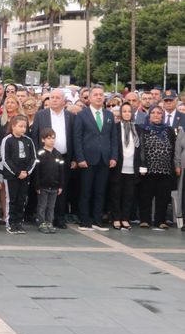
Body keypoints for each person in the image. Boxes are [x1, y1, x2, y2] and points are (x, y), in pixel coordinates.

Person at [73, 85, 118, 231]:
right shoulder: (82, 115)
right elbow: (77, 138)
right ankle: (84, 221)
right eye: (96, 94)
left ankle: (97, 221)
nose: (99, 97)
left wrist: (114, 156)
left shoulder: (109, 115)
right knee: (86, 191)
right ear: (90, 98)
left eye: (101, 94)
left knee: (100, 191)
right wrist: (80, 158)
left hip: (104, 159)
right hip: (87, 159)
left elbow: (113, 138)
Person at [32, 89, 76, 230]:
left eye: (58, 97)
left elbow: (74, 138)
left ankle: (59, 218)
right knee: (44, 190)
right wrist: (36, 155)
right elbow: (35, 136)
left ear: (64, 101)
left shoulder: (70, 116)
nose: (54, 100)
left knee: (61, 188)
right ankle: (42, 219)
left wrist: (74, 158)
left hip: (63, 157)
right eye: (52, 97)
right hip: (45, 158)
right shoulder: (41, 115)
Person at [138, 105, 176, 230]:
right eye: (153, 112)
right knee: (146, 196)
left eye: (159, 113)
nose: (156, 115)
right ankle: (145, 219)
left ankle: (160, 220)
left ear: (162, 115)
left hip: (165, 169)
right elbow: (141, 148)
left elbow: (173, 148)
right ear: (149, 115)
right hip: (148, 169)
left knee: (163, 197)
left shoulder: (169, 130)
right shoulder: (143, 129)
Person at [1, 115, 37, 234]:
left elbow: (33, 158)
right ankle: (10, 223)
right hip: (12, 176)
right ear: (13, 126)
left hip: (25, 175)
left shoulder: (28, 140)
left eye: (24, 126)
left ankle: (19, 222)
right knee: (12, 199)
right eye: (20, 126)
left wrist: (26, 171)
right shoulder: (7, 140)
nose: (23, 129)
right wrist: (17, 172)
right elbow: (5, 159)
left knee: (22, 199)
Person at [110, 102, 141, 230]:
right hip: (118, 165)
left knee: (129, 195)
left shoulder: (137, 128)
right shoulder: (116, 127)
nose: (127, 113)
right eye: (124, 111)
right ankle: (116, 218)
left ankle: (125, 218)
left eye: (129, 111)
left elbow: (141, 148)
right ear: (121, 113)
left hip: (132, 166)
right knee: (116, 193)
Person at [34, 128, 65, 233]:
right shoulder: (40, 154)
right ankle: (41, 223)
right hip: (43, 186)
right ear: (43, 140)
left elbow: (61, 171)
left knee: (51, 206)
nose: (52, 140)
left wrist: (60, 185)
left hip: (55, 186)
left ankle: (49, 222)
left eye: (53, 138)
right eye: (48, 138)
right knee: (42, 205)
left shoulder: (58, 154)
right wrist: (37, 185)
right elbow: (37, 171)